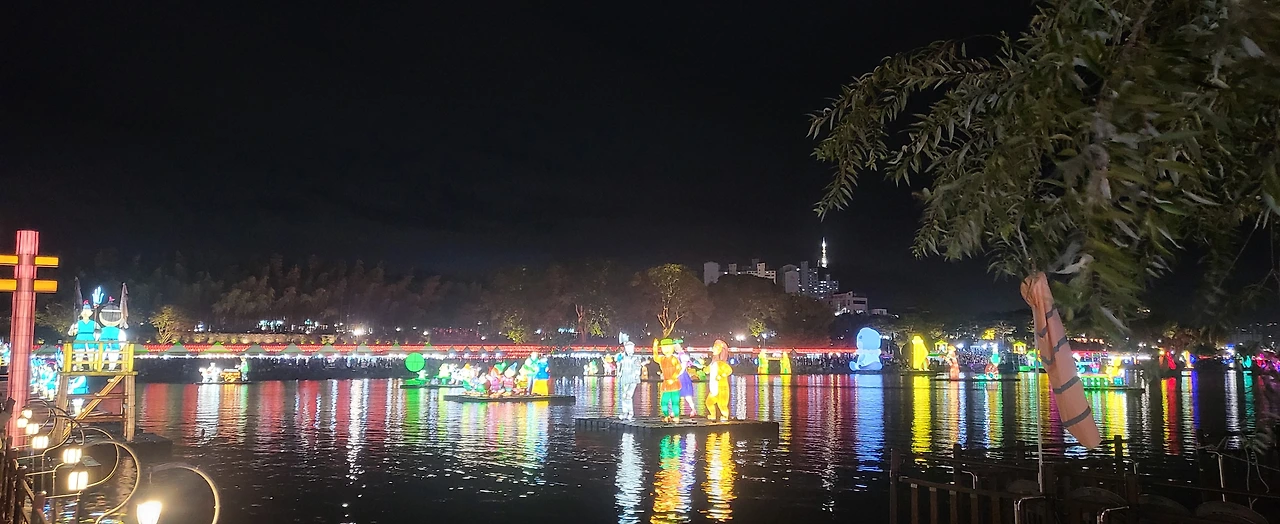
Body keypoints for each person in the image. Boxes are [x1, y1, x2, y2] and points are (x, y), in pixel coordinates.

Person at [654, 338, 684, 423]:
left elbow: (678, 368)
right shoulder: (662, 359)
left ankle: (676, 416)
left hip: (674, 384)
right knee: (663, 402)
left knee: (675, 402)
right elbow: (655, 357)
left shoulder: (674, 359)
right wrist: (655, 347)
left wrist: (673, 378)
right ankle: (666, 416)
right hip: (666, 384)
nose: (666, 350)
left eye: (668, 347)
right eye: (664, 348)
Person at [705, 340, 733, 422]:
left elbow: (729, 371)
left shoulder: (722, 364)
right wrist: (704, 368)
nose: (713, 349)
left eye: (716, 348)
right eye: (714, 347)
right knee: (709, 402)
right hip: (713, 388)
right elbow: (707, 370)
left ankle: (725, 416)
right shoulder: (713, 363)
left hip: (722, 388)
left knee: (722, 405)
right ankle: (713, 415)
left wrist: (721, 376)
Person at [616, 341, 641, 421]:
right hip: (624, 378)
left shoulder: (635, 358)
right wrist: (619, 373)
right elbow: (619, 365)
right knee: (624, 396)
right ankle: (625, 412)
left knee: (628, 395)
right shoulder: (622, 357)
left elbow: (638, 368)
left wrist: (637, 375)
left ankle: (630, 413)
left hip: (632, 379)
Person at [677, 350, 698, 416]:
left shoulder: (683, 363)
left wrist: (675, 376)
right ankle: (693, 410)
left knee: (686, 396)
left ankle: (693, 410)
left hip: (683, 380)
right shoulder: (683, 363)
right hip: (683, 380)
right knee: (685, 396)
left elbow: (681, 371)